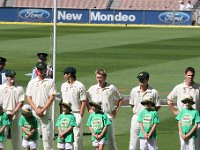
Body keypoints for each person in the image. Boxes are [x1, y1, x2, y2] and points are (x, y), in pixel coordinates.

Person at [87, 68, 123, 150]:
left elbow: (121, 98)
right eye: (97, 77)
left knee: (111, 140)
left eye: (100, 77)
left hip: (108, 116)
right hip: (96, 117)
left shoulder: (111, 87)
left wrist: (116, 111)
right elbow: (85, 97)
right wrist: (89, 108)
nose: (99, 79)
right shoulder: (93, 88)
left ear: (105, 77)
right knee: (97, 141)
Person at [167, 67, 200, 150]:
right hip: (183, 122)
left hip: (196, 121)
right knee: (184, 145)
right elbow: (169, 99)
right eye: (188, 75)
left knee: (195, 146)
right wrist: (174, 110)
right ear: (185, 75)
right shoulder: (179, 87)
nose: (190, 77)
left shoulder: (198, 88)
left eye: (192, 75)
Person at [26, 62, 56, 150]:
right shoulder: (32, 82)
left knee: (47, 135)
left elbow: (52, 97)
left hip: (45, 111)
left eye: (42, 69)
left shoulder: (50, 81)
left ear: (46, 70)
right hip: (34, 111)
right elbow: (28, 97)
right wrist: (36, 109)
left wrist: (43, 109)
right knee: (35, 135)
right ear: (36, 70)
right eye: (38, 69)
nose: (40, 71)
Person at [129, 71, 161, 150]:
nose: (141, 80)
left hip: (149, 119)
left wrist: (150, 113)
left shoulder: (154, 92)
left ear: (147, 79)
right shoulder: (134, 90)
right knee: (133, 142)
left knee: (151, 143)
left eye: (143, 79)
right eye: (140, 79)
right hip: (136, 118)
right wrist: (138, 111)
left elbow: (158, 105)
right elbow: (132, 104)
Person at [61, 67, 87, 150]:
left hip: (76, 113)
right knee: (66, 138)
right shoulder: (63, 85)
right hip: (65, 115)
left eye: (64, 74)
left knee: (77, 138)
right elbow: (62, 101)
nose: (63, 75)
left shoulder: (80, 86)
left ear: (69, 74)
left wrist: (80, 115)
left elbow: (83, 102)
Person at [0, 69, 24, 150]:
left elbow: (21, 102)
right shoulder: (1, 88)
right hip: (4, 114)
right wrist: (4, 114)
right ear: (6, 77)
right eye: (10, 76)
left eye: (13, 76)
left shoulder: (19, 87)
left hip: (16, 114)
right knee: (2, 136)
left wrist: (13, 113)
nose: (12, 78)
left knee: (17, 136)